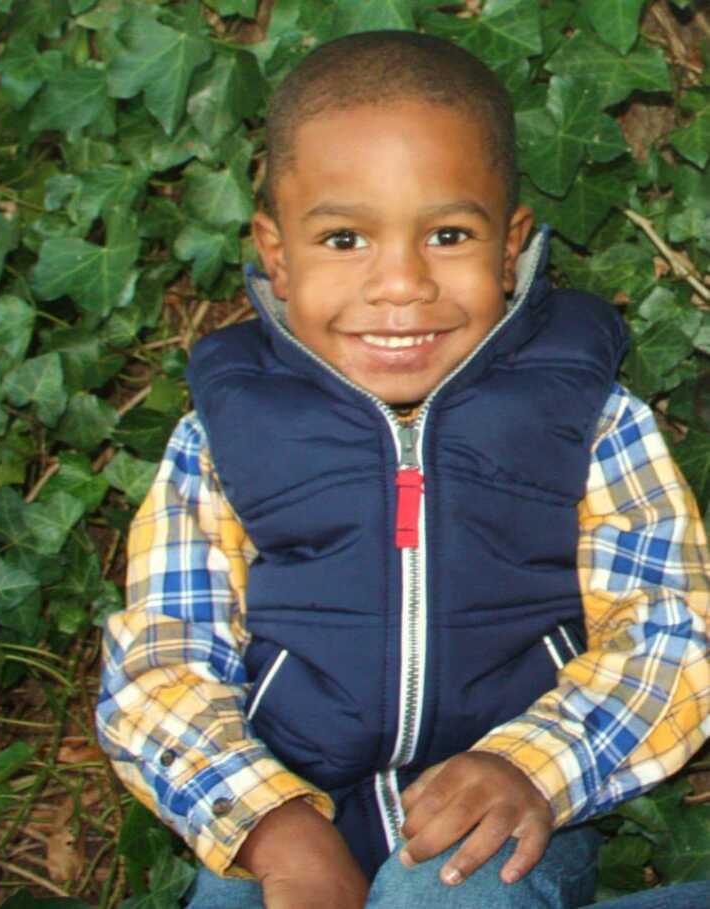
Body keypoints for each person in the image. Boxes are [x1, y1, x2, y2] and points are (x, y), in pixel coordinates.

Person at [95, 30, 710, 909]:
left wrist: (529, 763)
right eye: (345, 238)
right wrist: (274, 825)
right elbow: (163, 661)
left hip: (510, 811)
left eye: (448, 234)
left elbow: (672, 630)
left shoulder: (589, 415)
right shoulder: (221, 435)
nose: (401, 284)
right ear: (276, 252)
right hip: (283, 808)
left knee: (444, 890)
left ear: (510, 246)